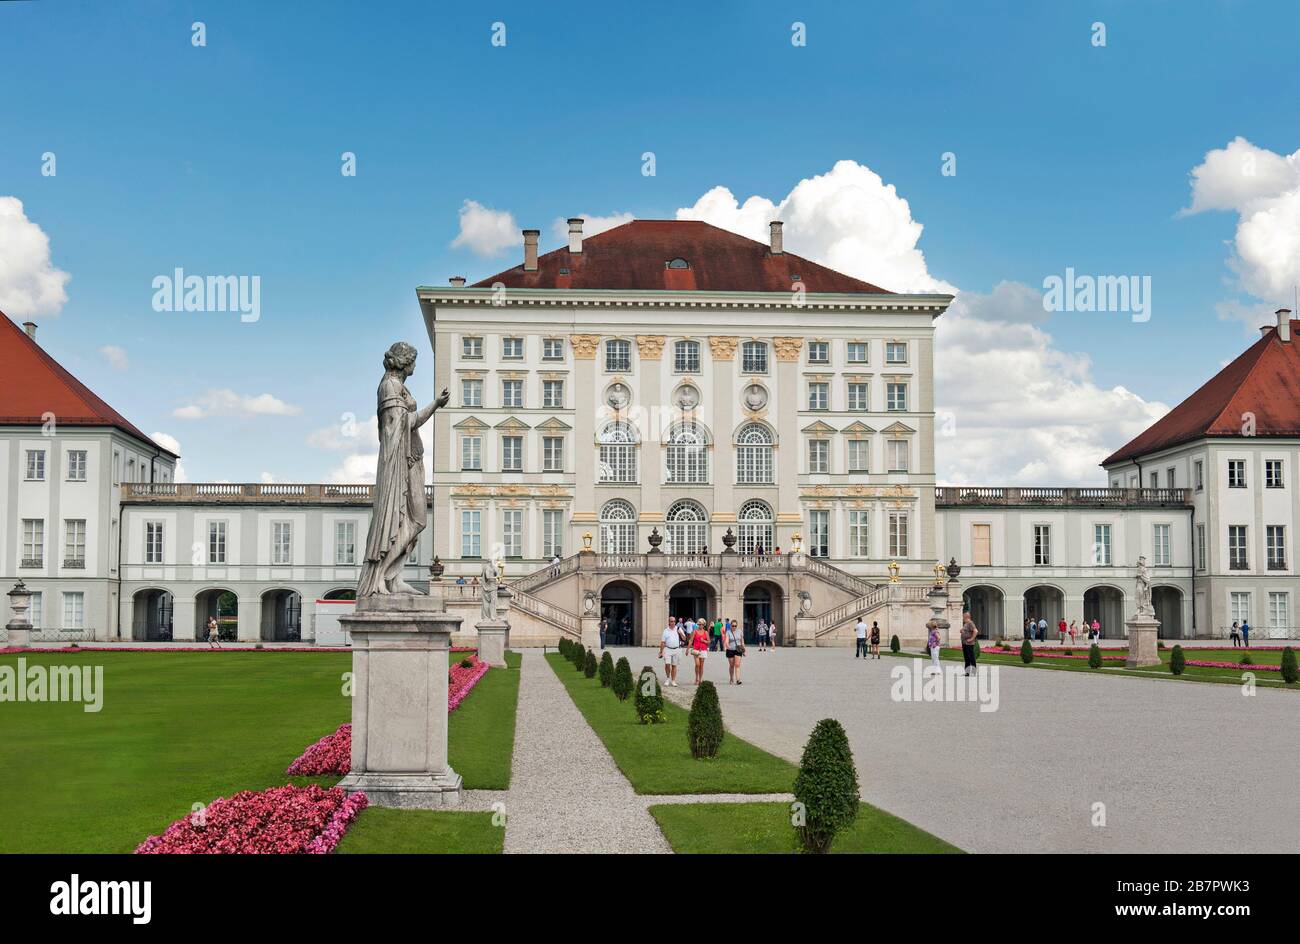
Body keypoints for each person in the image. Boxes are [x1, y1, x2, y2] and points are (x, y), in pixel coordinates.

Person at [659, 617, 685, 687]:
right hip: (667, 649)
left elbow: (684, 638)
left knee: (674, 665)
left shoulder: (678, 629)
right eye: (671, 621)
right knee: (667, 664)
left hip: (677, 649)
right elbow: (663, 642)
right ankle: (668, 678)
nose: (673, 623)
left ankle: (673, 680)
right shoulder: (666, 630)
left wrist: (681, 633)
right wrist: (660, 651)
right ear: (669, 622)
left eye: (674, 621)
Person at [725, 616, 745, 684]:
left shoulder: (740, 631)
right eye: (733, 626)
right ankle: (731, 678)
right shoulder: (728, 632)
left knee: (737, 665)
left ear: (737, 626)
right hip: (730, 650)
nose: (734, 627)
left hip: (738, 649)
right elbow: (726, 640)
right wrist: (727, 645)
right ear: (730, 625)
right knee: (731, 665)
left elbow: (742, 641)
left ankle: (738, 679)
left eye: (735, 626)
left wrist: (744, 650)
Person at [690, 619, 710, 685]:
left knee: (701, 665)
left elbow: (709, 642)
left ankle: (700, 679)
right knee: (697, 664)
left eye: (701, 624)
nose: (700, 626)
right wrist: (687, 649)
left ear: (704, 625)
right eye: (699, 624)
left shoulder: (706, 632)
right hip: (696, 649)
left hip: (703, 650)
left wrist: (704, 641)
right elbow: (691, 640)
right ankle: (696, 678)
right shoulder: (695, 631)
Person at [960, 610, 979, 676]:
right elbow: (967, 631)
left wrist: (971, 639)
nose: (962, 617)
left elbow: (975, 631)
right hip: (964, 643)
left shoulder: (970, 623)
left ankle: (973, 672)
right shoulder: (966, 623)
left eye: (963, 616)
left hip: (969, 644)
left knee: (971, 658)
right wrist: (962, 631)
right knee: (966, 658)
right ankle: (967, 672)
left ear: (966, 616)